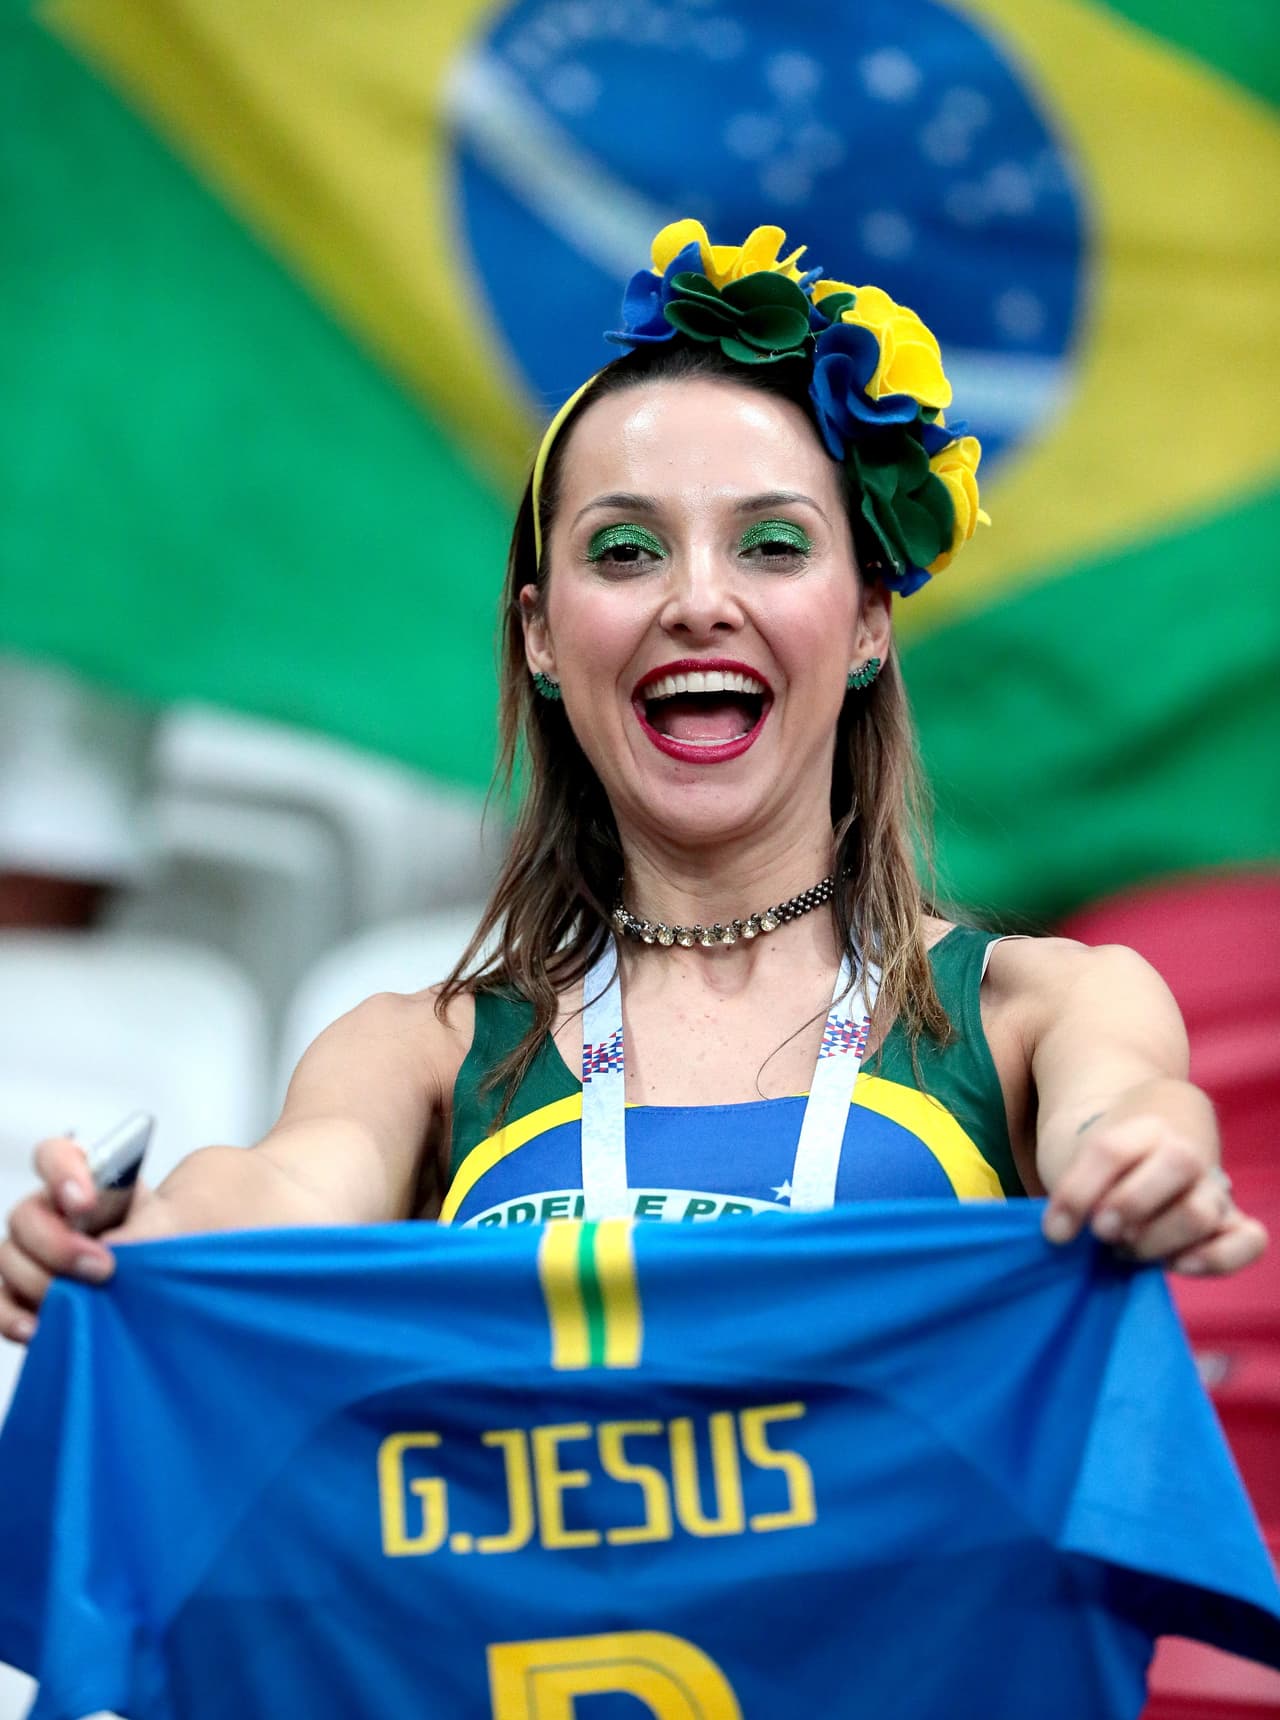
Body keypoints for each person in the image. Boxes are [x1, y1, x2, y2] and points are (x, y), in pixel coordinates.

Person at [0, 217, 1266, 1344]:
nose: (698, 600)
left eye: (772, 544)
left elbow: (1124, 1113)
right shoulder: (422, 1051)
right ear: (542, 635)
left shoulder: (1043, 1009)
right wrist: (144, 1234)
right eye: (624, 550)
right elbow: (281, 1188)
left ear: (868, 621)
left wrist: (1139, 1163)